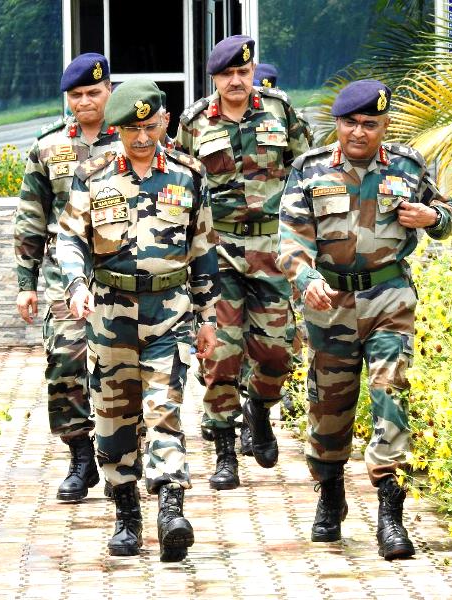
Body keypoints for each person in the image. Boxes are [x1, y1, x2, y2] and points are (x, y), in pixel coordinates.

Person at [277, 79, 452, 559]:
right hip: (330, 302)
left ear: (385, 126)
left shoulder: (408, 165)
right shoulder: (310, 169)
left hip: (388, 297)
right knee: (329, 406)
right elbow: (291, 239)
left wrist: (432, 218)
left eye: (370, 124)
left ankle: (390, 512)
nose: (359, 132)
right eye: (351, 123)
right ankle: (330, 491)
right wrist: (305, 277)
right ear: (338, 123)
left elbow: (447, 213)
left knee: (390, 391)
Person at [57, 79, 219, 561]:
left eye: (150, 127)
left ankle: (171, 510)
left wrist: (208, 316)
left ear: (165, 122)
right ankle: (126, 515)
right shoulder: (93, 174)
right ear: (117, 129)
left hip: (170, 312)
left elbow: (203, 248)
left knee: (163, 409)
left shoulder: (189, 174)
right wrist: (76, 284)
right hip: (110, 314)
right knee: (115, 418)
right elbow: (70, 238)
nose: (143, 138)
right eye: (132, 129)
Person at [175, 35, 311, 490]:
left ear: (253, 72)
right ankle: (224, 451)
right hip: (218, 250)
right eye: (227, 74)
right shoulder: (194, 122)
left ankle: (259, 408)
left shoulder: (279, 109)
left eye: (243, 72)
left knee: (276, 351)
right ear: (214, 78)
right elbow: (181, 185)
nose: (237, 80)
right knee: (221, 354)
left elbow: (306, 169)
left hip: (272, 248)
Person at [14, 53, 119, 502]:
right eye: (76, 95)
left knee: (124, 366)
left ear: (109, 90)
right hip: (65, 273)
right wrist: (26, 284)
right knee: (63, 361)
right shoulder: (48, 147)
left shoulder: (135, 137)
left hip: (123, 270)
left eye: (93, 92)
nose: (85, 102)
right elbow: (31, 218)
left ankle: (124, 459)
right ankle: (80, 454)